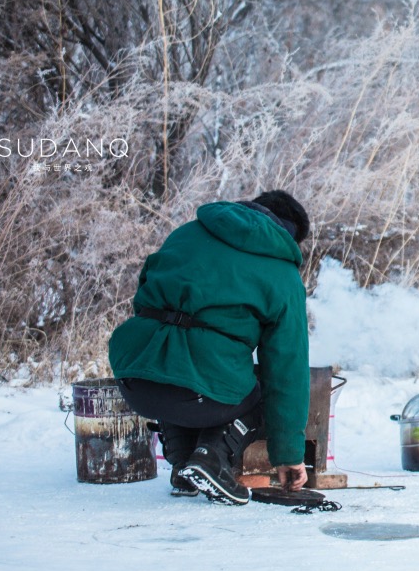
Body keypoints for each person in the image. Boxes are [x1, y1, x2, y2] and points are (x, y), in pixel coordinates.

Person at [108, 190, 312, 504]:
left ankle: (182, 465)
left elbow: (144, 295)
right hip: (198, 397)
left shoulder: (187, 234)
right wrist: (289, 456)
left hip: (135, 380)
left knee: (184, 361)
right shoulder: (282, 275)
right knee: (256, 388)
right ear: (289, 237)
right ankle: (210, 459)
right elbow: (287, 371)